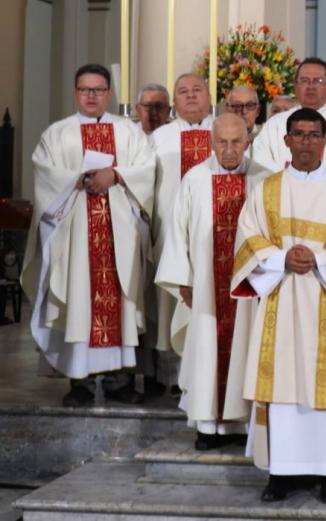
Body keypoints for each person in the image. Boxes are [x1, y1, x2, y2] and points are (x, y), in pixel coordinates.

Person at [230, 108, 326, 504]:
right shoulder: (267, 190)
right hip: (282, 300)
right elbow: (247, 238)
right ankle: (282, 473)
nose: (306, 142)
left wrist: (322, 261)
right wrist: (279, 260)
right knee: (283, 390)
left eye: (314, 135)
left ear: (325, 142)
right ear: (285, 141)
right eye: (299, 134)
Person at [23, 64, 156, 406]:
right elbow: (44, 174)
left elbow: (146, 169)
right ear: (75, 92)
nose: (92, 96)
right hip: (75, 235)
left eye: (98, 90)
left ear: (109, 93)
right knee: (79, 297)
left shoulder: (128, 132)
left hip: (119, 235)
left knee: (119, 302)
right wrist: (76, 180)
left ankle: (119, 380)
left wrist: (116, 175)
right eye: (85, 89)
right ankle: (79, 382)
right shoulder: (57, 134)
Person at [155, 114, 269, 450]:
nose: (230, 149)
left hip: (250, 289)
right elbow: (178, 233)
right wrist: (183, 281)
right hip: (207, 289)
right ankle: (208, 426)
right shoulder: (195, 178)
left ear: (248, 141)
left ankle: (245, 424)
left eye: (237, 142)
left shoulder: (263, 179)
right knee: (206, 351)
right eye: (222, 142)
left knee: (248, 349)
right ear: (211, 142)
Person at [148, 73, 215, 394]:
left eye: (197, 90)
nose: (190, 96)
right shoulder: (159, 138)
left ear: (210, 97)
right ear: (174, 103)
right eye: (183, 92)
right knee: (168, 302)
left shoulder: (226, 133)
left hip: (216, 238)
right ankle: (172, 377)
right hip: (169, 236)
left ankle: (210, 372)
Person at [252, 59, 326, 187]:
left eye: (318, 81)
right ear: (295, 86)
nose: (310, 86)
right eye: (304, 80)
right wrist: (291, 184)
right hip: (283, 197)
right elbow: (261, 161)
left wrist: (321, 187)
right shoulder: (275, 124)